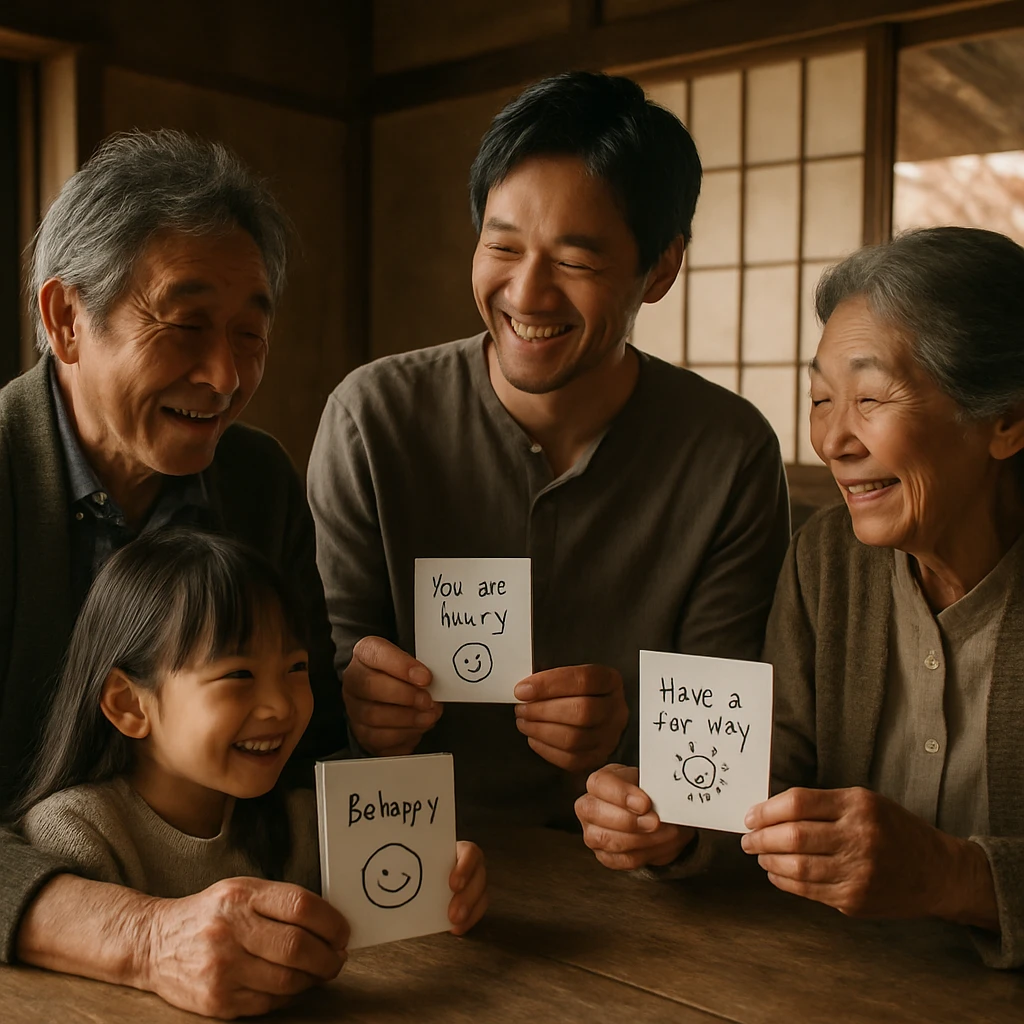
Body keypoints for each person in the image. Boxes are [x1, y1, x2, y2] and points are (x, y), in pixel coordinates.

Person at [307, 71, 790, 829]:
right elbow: (321, 663)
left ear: (660, 267)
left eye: (574, 261)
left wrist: (631, 744)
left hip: (634, 888)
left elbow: (718, 753)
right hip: (408, 860)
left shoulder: (728, 451)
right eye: (502, 246)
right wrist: (353, 695)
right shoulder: (373, 419)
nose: (527, 295)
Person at [576, 227, 1024, 969]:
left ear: (1006, 420)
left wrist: (955, 877)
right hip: (833, 981)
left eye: (871, 397)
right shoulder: (827, 558)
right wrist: (676, 821)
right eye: (821, 398)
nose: (833, 439)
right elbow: (768, 772)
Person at [0, 129, 347, 1018]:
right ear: (66, 319)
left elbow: (309, 747)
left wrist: (409, 861)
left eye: (249, 334)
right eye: (185, 325)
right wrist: (144, 937)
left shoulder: (257, 480)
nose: (226, 376)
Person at [13, 530, 486, 933]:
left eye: (295, 668)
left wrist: (445, 884)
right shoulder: (77, 832)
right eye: (238, 674)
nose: (280, 704)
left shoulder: (309, 825)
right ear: (128, 704)